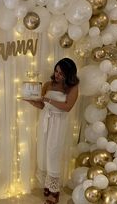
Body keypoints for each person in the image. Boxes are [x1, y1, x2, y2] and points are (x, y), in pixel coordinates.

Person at [25, 58, 79, 204]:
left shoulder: (72, 87)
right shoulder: (48, 84)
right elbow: (43, 106)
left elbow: (67, 107)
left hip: (59, 123)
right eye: (56, 71)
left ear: (69, 74)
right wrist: (32, 102)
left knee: (53, 153)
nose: (57, 75)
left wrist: (47, 101)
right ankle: (47, 184)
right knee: (42, 152)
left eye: (61, 73)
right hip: (45, 120)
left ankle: (54, 192)